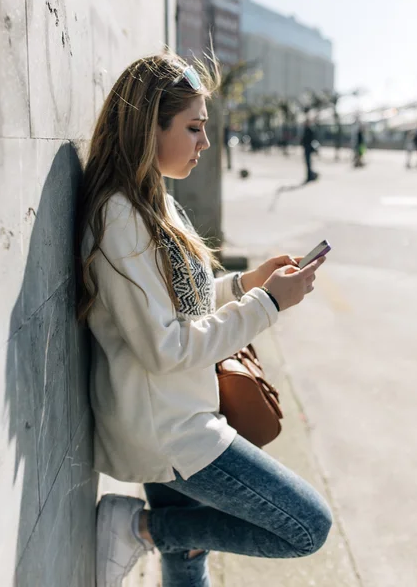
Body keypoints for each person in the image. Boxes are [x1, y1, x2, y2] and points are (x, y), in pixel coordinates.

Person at [76, 51, 332, 587]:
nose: (205, 143)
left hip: (180, 414)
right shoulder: (120, 216)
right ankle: (141, 527)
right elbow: (164, 347)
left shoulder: (155, 203)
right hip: (172, 431)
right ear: (151, 126)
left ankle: (157, 531)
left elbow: (181, 304)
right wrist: (270, 305)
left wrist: (246, 284)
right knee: (308, 525)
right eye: (193, 128)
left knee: (190, 560)